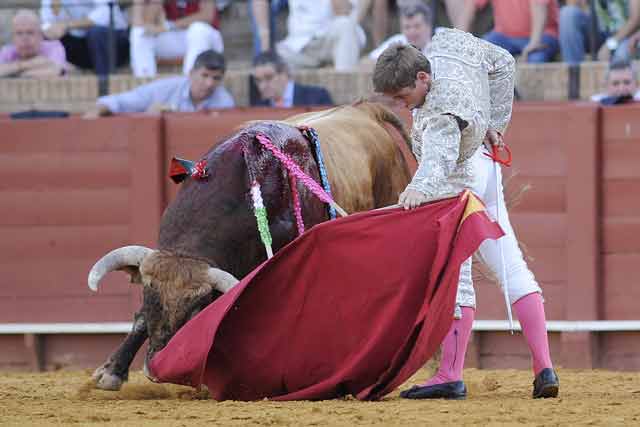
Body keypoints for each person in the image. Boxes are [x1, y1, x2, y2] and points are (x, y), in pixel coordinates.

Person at [372, 30, 559, 400]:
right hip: (487, 167)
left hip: (459, 176)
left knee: (455, 274)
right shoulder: (450, 46)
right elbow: (504, 62)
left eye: (404, 97)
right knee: (512, 266)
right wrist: (495, 125)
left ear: (422, 78)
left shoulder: (440, 111)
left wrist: (419, 189)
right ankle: (544, 367)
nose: (403, 106)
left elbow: (440, 156)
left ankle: (450, 374)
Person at [84, 50, 234, 118]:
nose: (209, 83)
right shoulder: (166, 88)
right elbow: (128, 100)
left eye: (216, 78)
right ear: (190, 73)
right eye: (204, 75)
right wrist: (102, 107)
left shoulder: (225, 101)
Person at [129, 0, 224, 78]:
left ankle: (189, 83)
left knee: (197, 29)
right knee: (139, 33)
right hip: (176, 37)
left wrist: (170, 26)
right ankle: (145, 82)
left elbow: (207, 16)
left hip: (206, 38)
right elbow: (145, 23)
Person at [40, 0, 129, 77]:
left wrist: (67, 25)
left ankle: (105, 85)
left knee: (96, 32)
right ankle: (54, 80)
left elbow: (104, 13)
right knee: (44, 36)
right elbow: (47, 22)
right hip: (81, 45)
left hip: (114, 44)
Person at [456, 0, 560, 63]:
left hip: (542, 34)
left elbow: (540, 8)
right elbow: (470, 8)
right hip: (503, 36)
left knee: (535, 60)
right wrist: (457, 41)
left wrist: (534, 43)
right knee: (477, 55)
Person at [276, 0, 367, 71]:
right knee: (273, 60)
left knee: (345, 26)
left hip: (330, 41)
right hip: (298, 46)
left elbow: (343, 12)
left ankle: (345, 82)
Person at [560, 0, 640, 65]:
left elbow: (635, 19)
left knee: (622, 55)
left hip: (626, 36)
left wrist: (609, 45)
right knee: (567, 13)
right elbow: (574, 6)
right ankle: (574, 73)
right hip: (599, 33)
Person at [251, 51, 333, 107]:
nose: (262, 86)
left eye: (269, 77)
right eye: (258, 80)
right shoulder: (259, 106)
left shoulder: (317, 97)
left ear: (284, 73)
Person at [0, 9, 68, 78]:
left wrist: (12, 72)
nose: (25, 38)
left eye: (30, 32)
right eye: (19, 33)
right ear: (13, 38)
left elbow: (56, 71)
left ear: (41, 36)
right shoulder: (7, 51)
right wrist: (24, 65)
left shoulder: (54, 47)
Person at [366, 1, 432, 61]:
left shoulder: (440, 41)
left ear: (428, 27)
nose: (412, 32)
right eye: (407, 27)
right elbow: (368, 61)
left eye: (417, 26)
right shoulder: (398, 41)